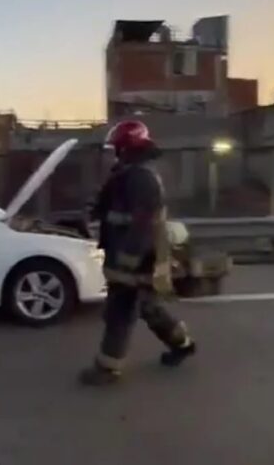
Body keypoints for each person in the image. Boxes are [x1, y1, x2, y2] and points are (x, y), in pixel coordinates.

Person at [78, 120, 195, 386]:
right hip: (131, 257)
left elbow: (142, 225)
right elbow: (108, 205)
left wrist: (127, 262)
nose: (113, 154)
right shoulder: (126, 175)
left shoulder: (141, 179)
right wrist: (93, 210)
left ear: (127, 148)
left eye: (116, 148)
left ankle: (108, 369)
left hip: (136, 260)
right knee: (148, 308)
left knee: (120, 312)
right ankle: (182, 344)